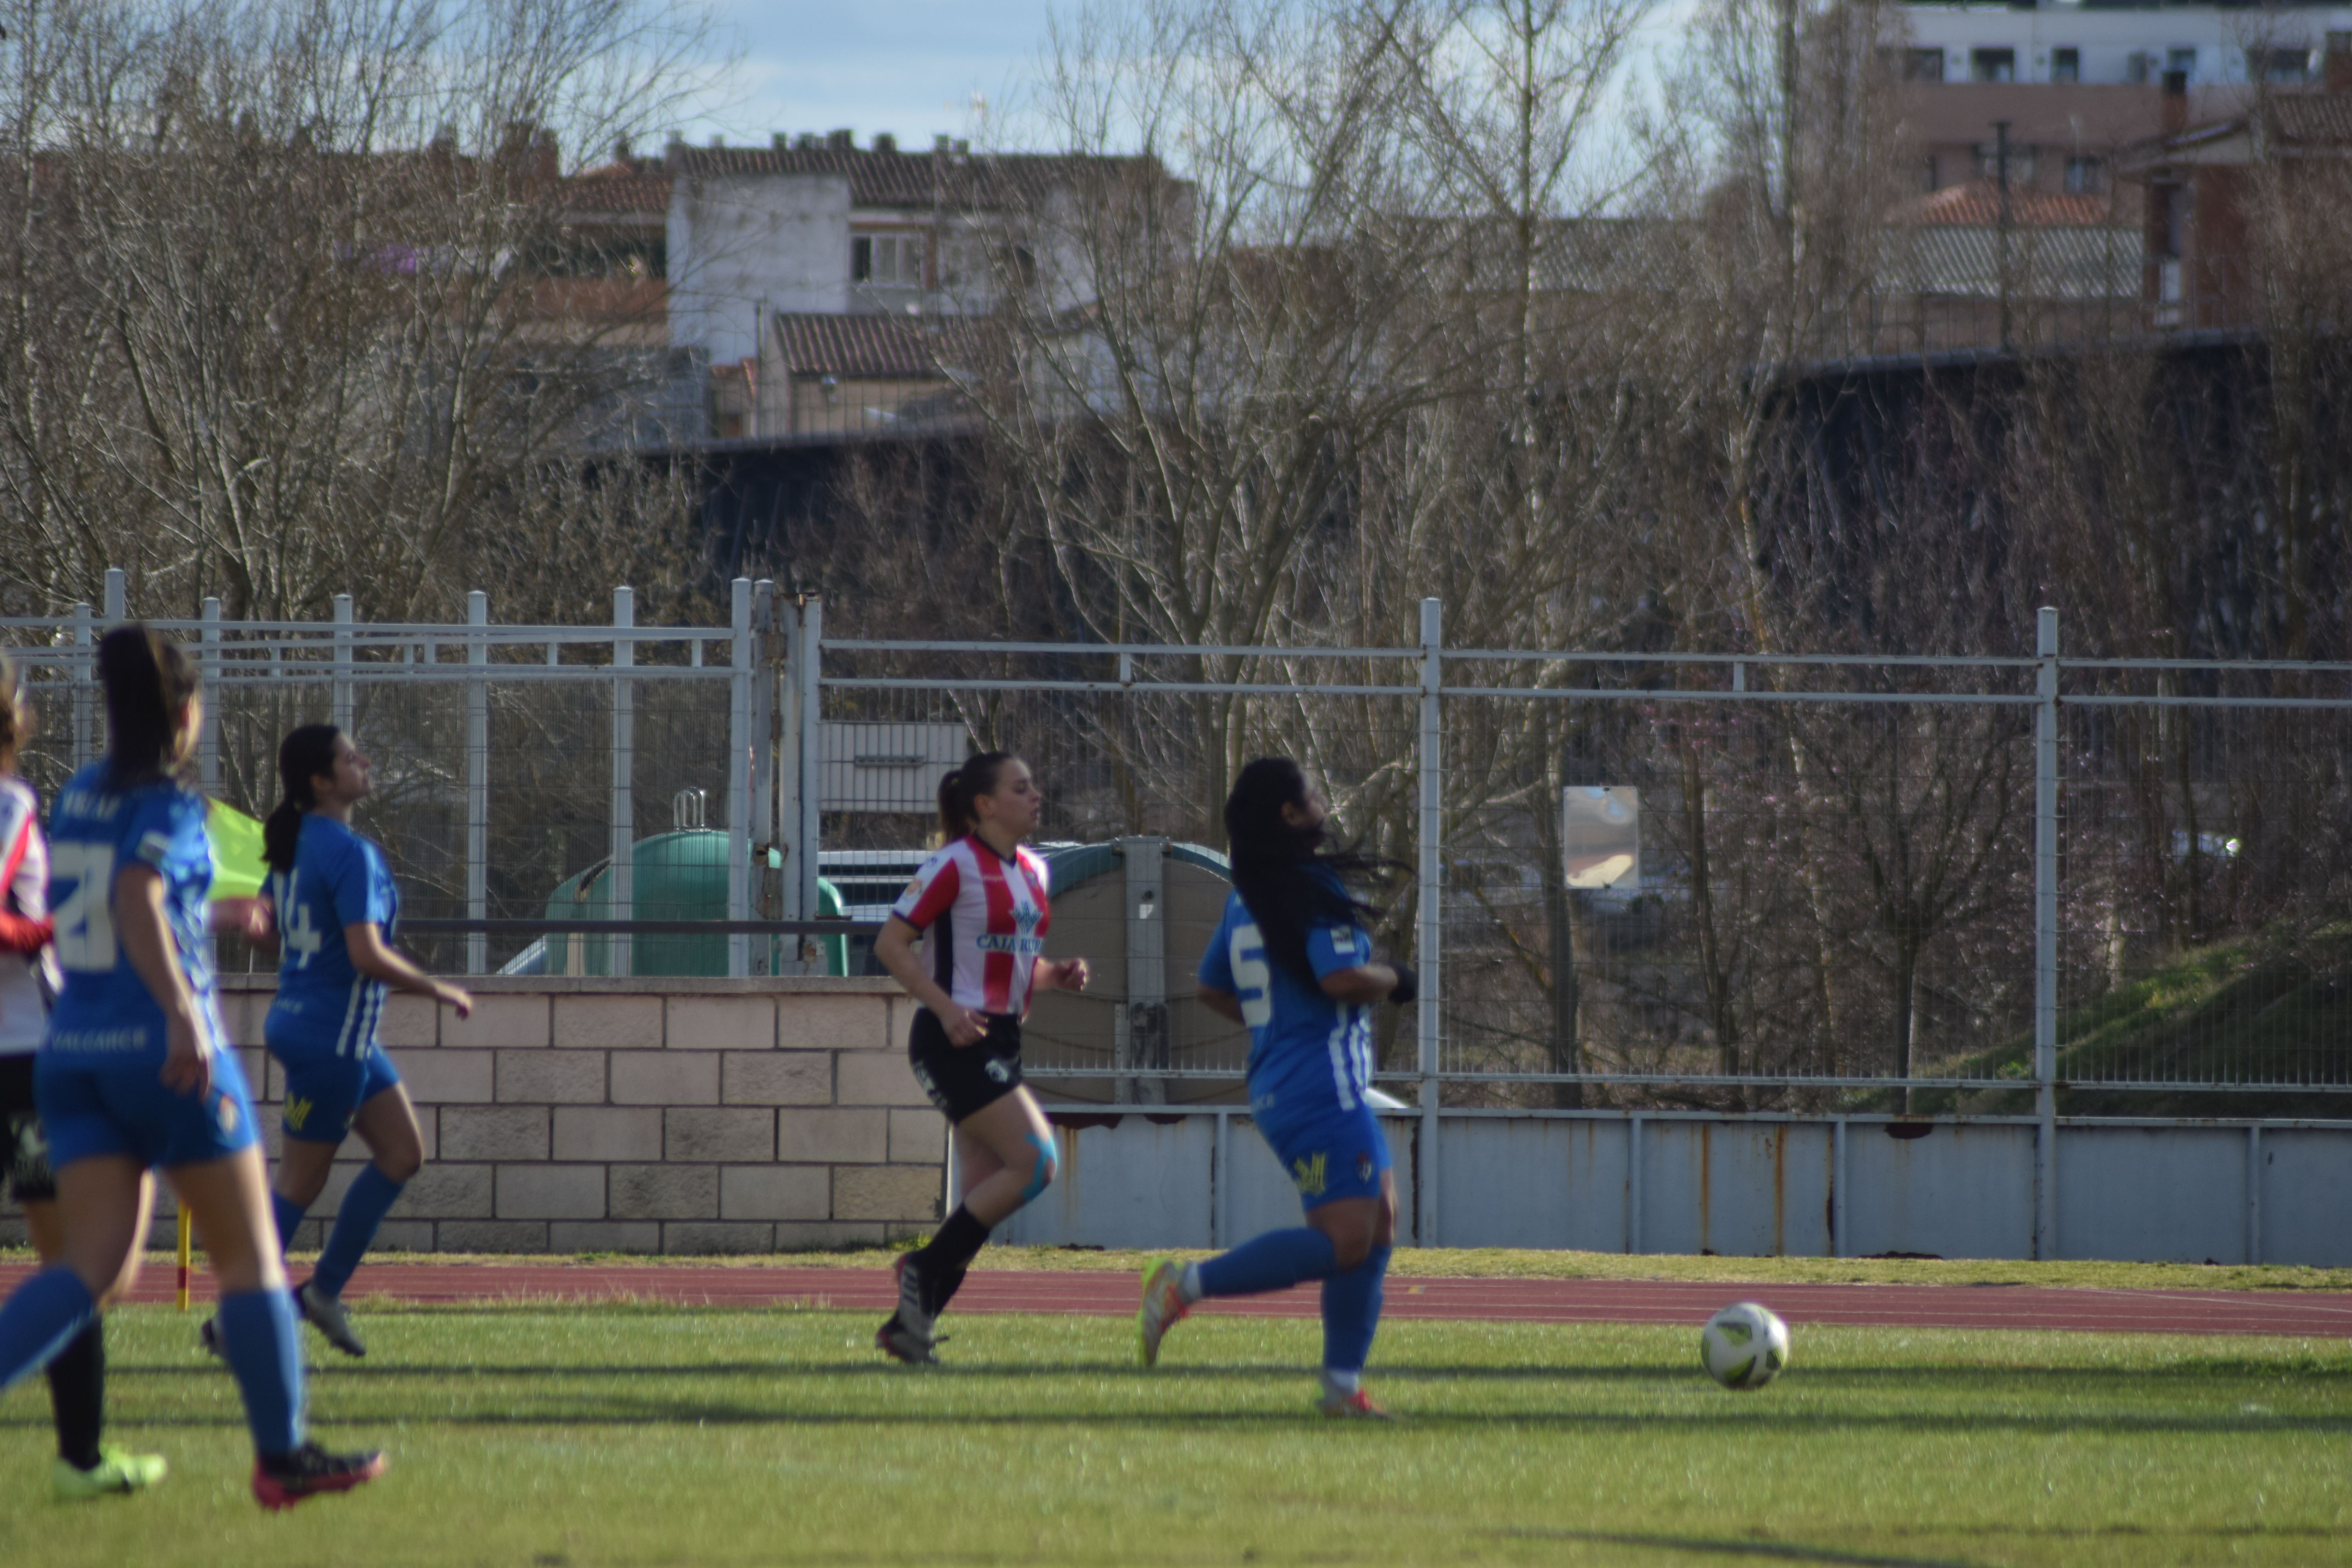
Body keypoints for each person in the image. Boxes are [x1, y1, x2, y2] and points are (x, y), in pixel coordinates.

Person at [0, 624, 384, 1508]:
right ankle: (282, 1455)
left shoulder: (79, 795)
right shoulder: (171, 800)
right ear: (183, 713)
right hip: (163, 1056)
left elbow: (100, 903)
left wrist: (206, 918)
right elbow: (137, 897)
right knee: (248, 1257)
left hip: (73, 1050)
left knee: (87, 1266)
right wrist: (181, 1015)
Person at [1138, 757, 1416, 1417]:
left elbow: (1211, 988)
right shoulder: (1307, 887)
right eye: (1313, 794)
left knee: (1377, 1224)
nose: (1324, 801)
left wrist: (1272, 1030)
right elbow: (1340, 980)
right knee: (1349, 1238)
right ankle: (1186, 1285)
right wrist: (1397, 979)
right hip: (1322, 1085)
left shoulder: (1252, 895)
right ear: (1290, 816)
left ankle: (1342, 1388)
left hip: (1282, 1084)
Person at [201, 724, 470, 1360]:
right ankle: (238, 1316)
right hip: (331, 1037)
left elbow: (267, 934)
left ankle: (321, 1294)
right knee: (298, 1183)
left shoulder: (297, 844)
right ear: (323, 782)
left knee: (403, 1153)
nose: (366, 762)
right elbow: (365, 953)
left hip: (315, 1027)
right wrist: (437, 989)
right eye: (353, 758)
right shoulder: (351, 853)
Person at [0, 654, 166, 1497]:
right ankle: (81, 1458)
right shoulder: (14, 805)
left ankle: (84, 1456)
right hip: (24, 1063)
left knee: (76, 1261)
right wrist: (50, 930)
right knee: (77, 1261)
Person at [871, 753, 1089, 1364]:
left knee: (984, 1197)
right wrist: (943, 1009)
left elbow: (1014, 965)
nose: (1036, 795)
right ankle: (922, 1267)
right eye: (1022, 788)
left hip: (999, 1040)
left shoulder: (1037, 872)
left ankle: (909, 1329)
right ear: (985, 805)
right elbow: (891, 944)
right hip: (952, 1040)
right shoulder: (952, 865)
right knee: (1039, 1161)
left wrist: (1056, 975)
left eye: (1034, 785)